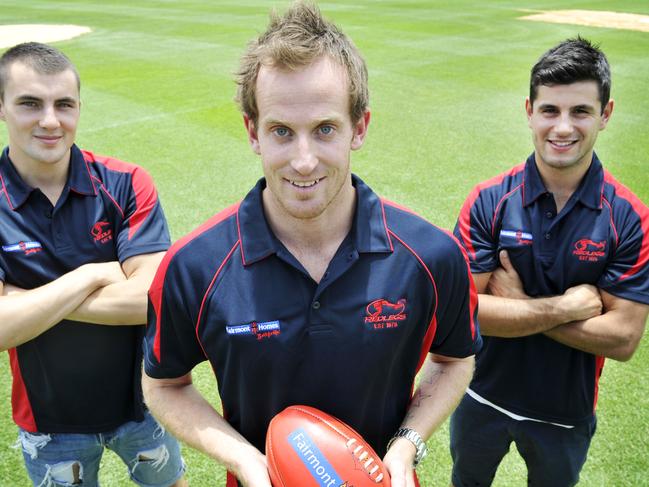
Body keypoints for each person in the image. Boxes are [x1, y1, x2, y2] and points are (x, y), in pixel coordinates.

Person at [142, 2, 481, 486]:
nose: (303, 161)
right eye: (282, 131)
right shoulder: (195, 267)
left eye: (325, 129)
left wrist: (406, 446)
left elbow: (455, 359)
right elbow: (163, 385)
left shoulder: (432, 257)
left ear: (359, 128)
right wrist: (244, 459)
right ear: (252, 133)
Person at [451, 37, 649, 487]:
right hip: (483, 395)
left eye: (580, 111)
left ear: (606, 114)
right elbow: (465, 313)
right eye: (550, 111)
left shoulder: (629, 218)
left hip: (566, 412)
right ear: (529, 111)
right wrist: (564, 308)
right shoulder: (488, 201)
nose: (563, 127)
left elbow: (622, 340)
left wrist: (518, 304)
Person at [0, 42, 186, 487]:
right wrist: (91, 275)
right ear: (2, 108)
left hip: (144, 399)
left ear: (79, 108)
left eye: (64, 104)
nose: (50, 120)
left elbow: (148, 299)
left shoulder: (125, 183)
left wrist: (28, 303)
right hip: (49, 420)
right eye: (30, 103)